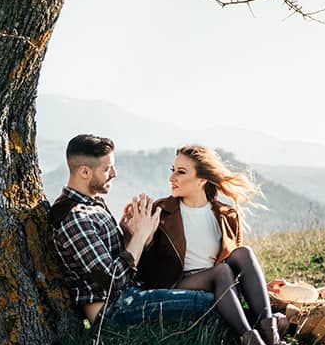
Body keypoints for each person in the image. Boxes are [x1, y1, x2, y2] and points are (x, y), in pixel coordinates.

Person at [136, 145, 325, 345]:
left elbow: (233, 265)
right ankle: (252, 343)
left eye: (181, 172)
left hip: (220, 282)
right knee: (221, 272)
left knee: (243, 253)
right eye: (173, 169)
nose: (172, 177)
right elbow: (144, 268)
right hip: (177, 285)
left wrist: (260, 287)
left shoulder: (225, 214)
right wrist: (146, 239)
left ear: (202, 179)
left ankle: (271, 336)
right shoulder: (160, 211)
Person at [50, 134, 214, 328]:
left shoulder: (92, 205)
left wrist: (128, 234)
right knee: (210, 303)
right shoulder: (75, 218)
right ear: (85, 172)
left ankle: (257, 325)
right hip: (112, 310)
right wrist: (140, 235)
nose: (114, 173)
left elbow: (114, 264)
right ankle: (251, 337)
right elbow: (113, 282)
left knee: (223, 287)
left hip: (129, 295)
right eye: (107, 168)